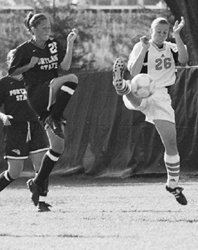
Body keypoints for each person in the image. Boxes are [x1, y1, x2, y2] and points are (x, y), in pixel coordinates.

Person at [112, 16, 189, 205]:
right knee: (133, 93)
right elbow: (134, 70)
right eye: (158, 31)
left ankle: (172, 184)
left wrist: (177, 35)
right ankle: (122, 87)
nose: (161, 35)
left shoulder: (172, 46)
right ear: (151, 30)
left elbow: (184, 60)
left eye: (165, 32)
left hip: (162, 96)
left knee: (171, 144)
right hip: (140, 87)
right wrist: (145, 48)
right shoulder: (142, 46)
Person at [8, 12, 78, 207]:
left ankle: (37, 189)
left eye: (49, 27)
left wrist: (70, 43)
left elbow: (64, 66)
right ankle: (54, 118)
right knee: (72, 80)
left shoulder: (53, 44)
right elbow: (12, 72)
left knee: (57, 148)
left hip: (52, 94)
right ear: (33, 30)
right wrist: (28, 65)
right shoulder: (25, 49)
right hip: (37, 93)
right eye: (43, 28)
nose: (48, 31)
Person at [0, 49, 50, 212]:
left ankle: (41, 202)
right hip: (16, 128)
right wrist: (3, 117)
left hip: (35, 125)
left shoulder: (32, 80)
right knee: (14, 172)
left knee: (42, 166)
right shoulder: (4, 83)